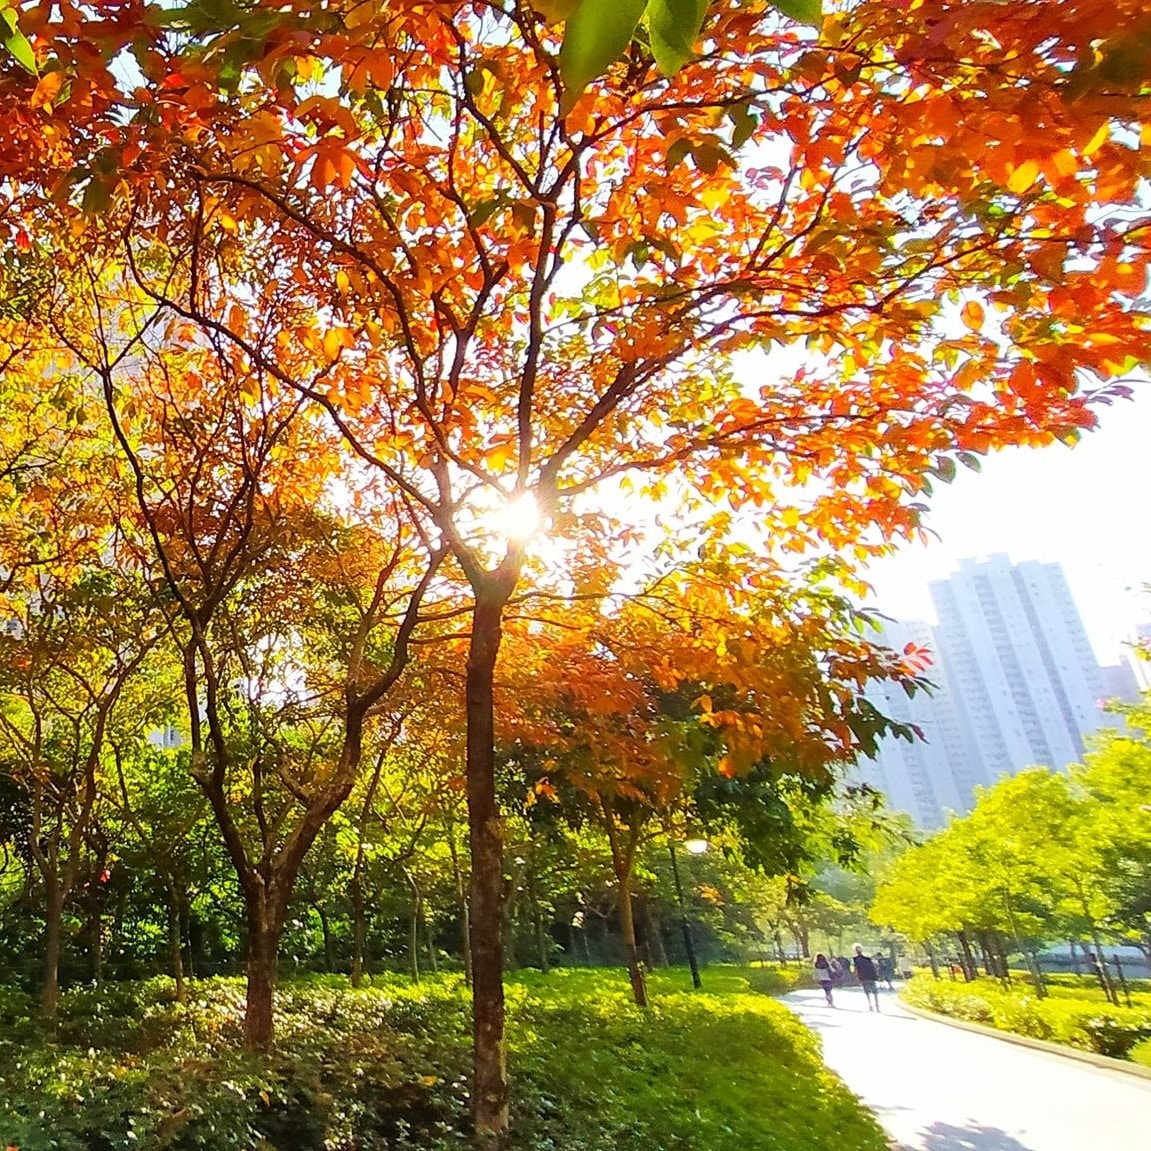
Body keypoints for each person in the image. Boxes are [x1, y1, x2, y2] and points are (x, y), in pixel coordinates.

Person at [853, 944, 881, 1011]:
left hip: (863, 977)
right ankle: (877, 1006)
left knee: (867, 992)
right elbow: (874, 966)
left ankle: (870, 1005)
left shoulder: (855, 959)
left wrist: (856, 978)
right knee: (875, 992)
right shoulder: (867, 958)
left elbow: (856, 969)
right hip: (871, 976)